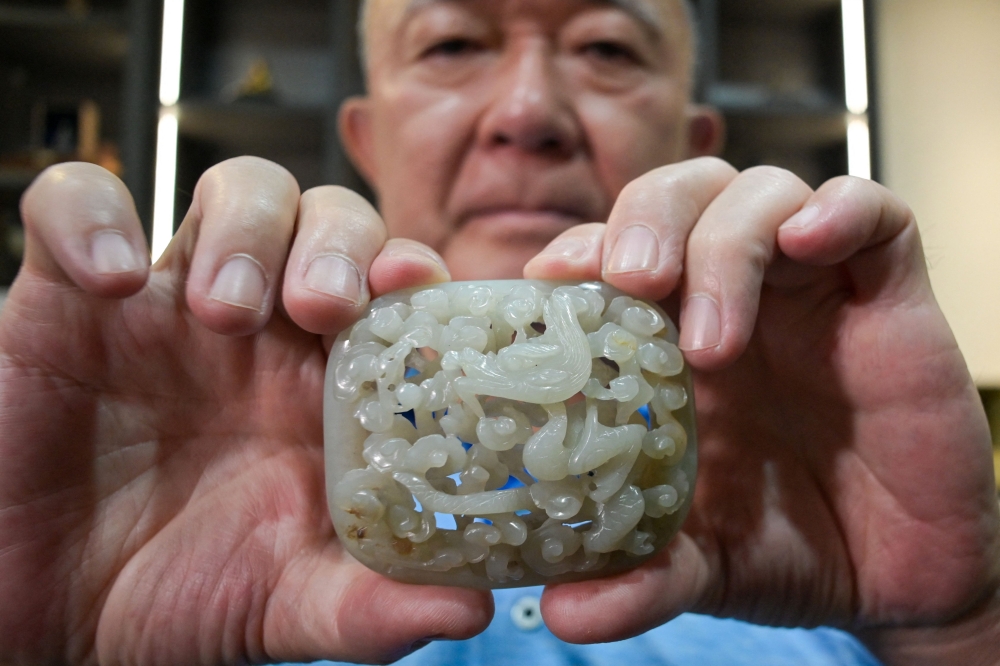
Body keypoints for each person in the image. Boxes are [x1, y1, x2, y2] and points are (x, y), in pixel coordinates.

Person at [0, 0, 998, 664]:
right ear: (364, 134)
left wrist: (955, 630)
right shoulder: (188, 537)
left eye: (607, 47)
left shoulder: (823, 550)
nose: (527, 111)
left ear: (698, 139)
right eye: (451, 43)